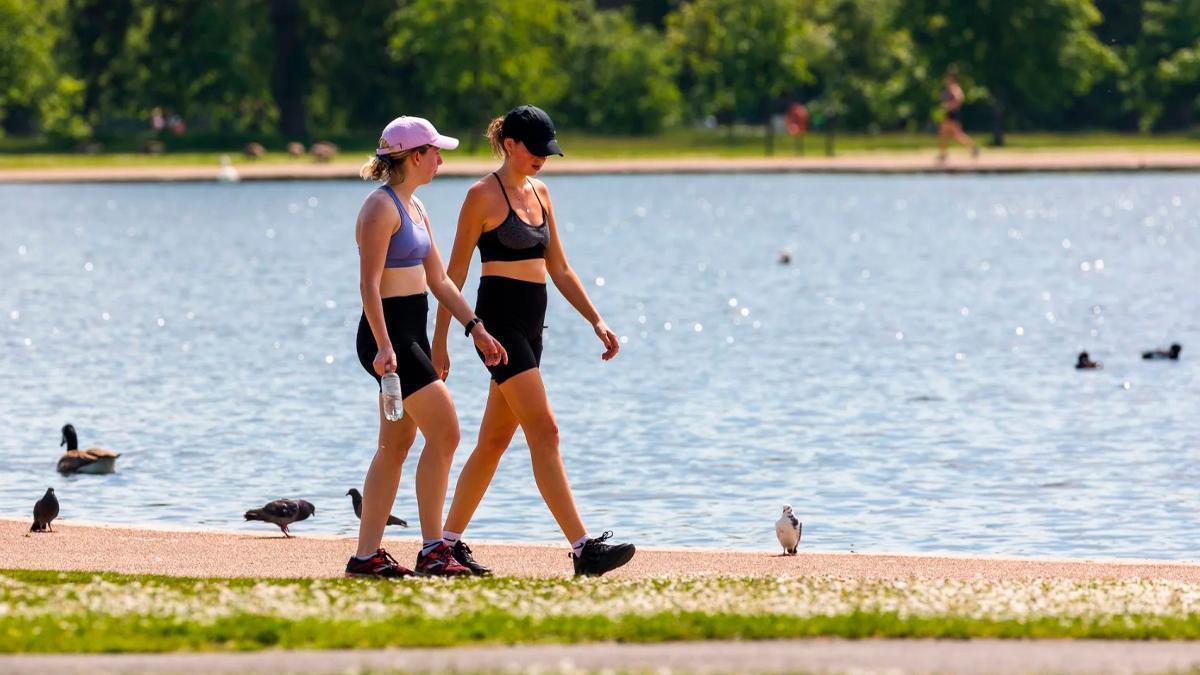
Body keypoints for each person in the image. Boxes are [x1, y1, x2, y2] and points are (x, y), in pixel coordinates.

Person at [432, 105, 635, 577]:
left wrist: (596, 320)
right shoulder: (480, 196)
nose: (543, 159)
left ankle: (445, 543)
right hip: (498, 329)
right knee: (546, 432)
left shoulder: (541, 193)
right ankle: (584, 549)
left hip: (532, 327)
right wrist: (441, 340)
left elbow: (559, 268)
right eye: (536, 150)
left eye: (548, 152)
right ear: (509, 144)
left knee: (494, 440)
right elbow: (453, 275)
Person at [349, 115, 508, 578]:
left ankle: (366, 557)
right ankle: (434, 550)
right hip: (389, 336)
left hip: (410, 333)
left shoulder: (415, 208)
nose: (441, 159)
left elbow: (438, 280)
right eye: (435, 152)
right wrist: (383, 346)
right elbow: (369, 284)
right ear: (414, 156)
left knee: (394, 446)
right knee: (447, 432)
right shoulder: (380, 209)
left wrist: (474, 327)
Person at [938, 70, 979, 162]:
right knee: (945, 133)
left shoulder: (954, 88)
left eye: (947, 78)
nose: (945, 79)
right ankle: (943, 154)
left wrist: (949, 106)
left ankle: (973, 148)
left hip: (953, 114)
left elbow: (960, 98)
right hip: (950, 113)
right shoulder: (949, 88)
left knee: (956, 135)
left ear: (952, 78)